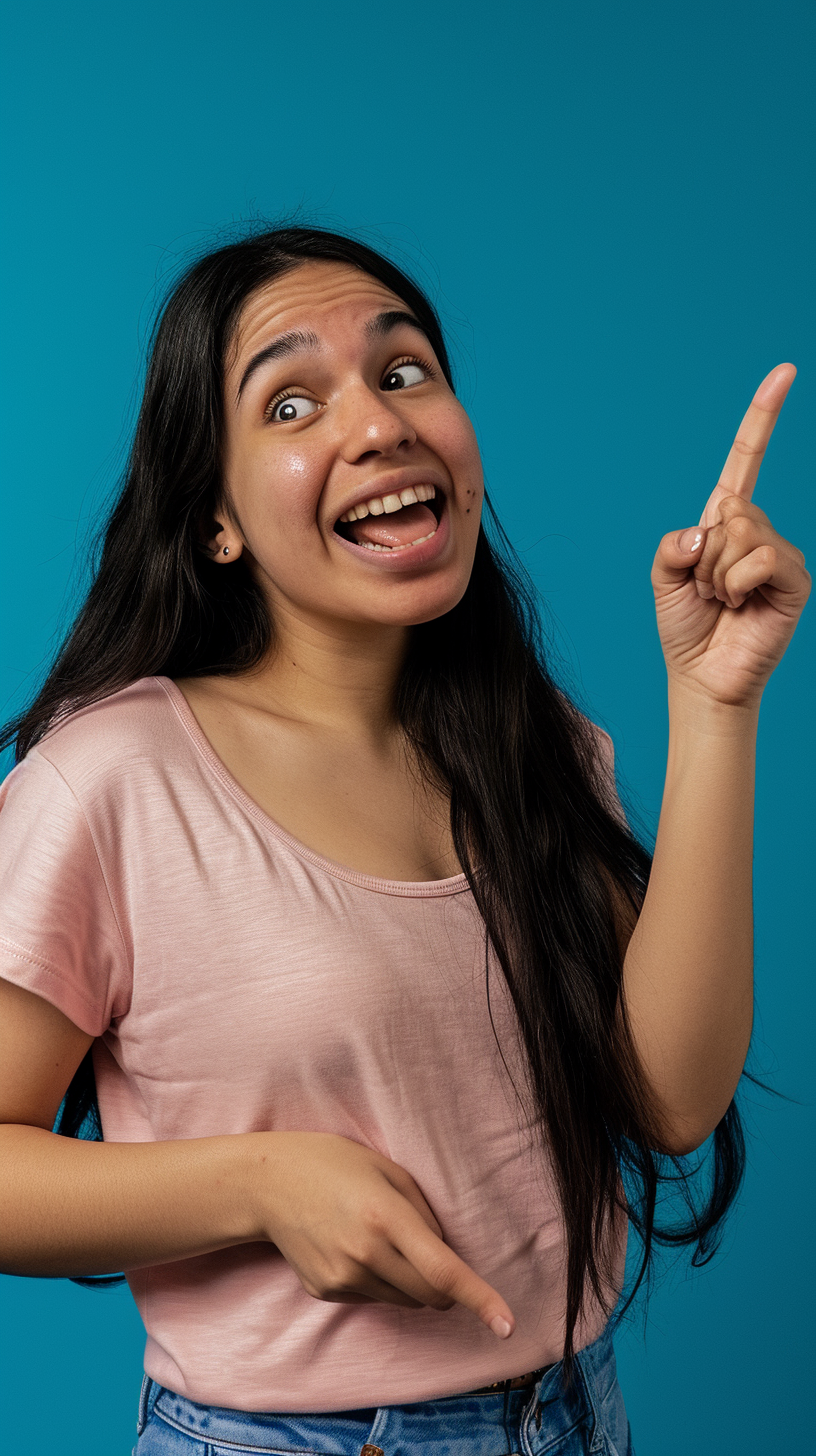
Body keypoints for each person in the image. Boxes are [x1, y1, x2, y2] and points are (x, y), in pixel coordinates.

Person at [0, 225, 809, 1456]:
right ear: (215, 518)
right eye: (289, 401)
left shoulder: (532, 744)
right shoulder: (115, 779)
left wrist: (714, 703)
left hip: (577, 1417)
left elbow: (669, 1097)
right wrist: (260, 1182)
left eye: (403, 371)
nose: (376, 424)